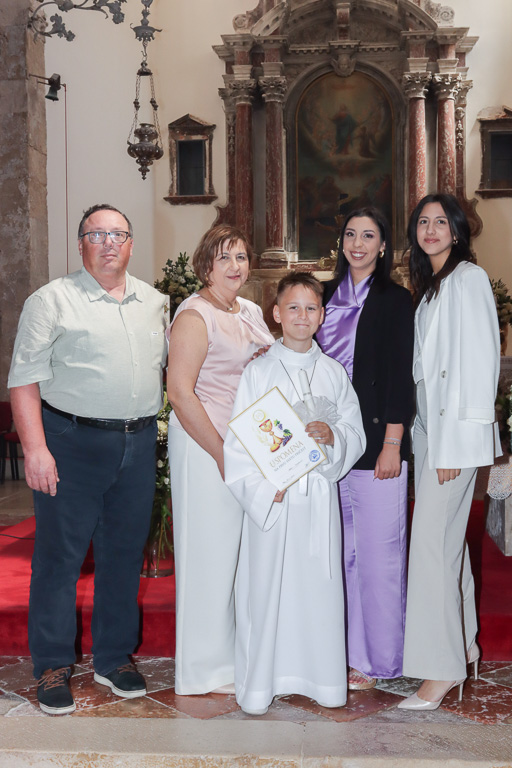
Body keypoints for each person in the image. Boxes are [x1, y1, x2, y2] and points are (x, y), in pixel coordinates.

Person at [8, 204, 168, 715]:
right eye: (96, 235)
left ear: (131, 243)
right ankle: (53, 664)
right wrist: (36, 449)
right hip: (71, 443)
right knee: (60, 559)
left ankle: (113, 658)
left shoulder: (154, 302)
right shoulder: (50, 300)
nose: (108, 243)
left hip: (137, 444)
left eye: (117, 234)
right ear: (80, 244)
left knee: (123, 556)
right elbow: (24, 380)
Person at [224, 273, 366, 715]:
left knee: (318, 592)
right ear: (277, 314)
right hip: (276, 502)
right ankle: (260, 685)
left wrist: (334, 437)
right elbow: (238, 444)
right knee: (267, 590)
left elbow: (355, 432)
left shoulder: (333, 373)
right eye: (293, 308)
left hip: (318, 500)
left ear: (321, 316)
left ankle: (323, 681)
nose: (302, 316)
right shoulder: (259, 371)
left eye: (310, 308)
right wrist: (265, 490)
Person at [398, 193, 500, 710]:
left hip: (451, 439)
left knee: (431, 548)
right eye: (424, 222)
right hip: (428, 433)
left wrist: (453, 446)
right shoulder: (433, 287)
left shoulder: (468, 279)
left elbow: (481, 363)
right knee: (446, 547)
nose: (431, 229)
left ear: (457, 231)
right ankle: (462, 645)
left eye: (441, 222)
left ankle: (440, 671)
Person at [166, 224, 274, 696]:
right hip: (204, 445)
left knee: (238, 557)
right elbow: (179, 393)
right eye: (224, 257)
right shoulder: (195, 315)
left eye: (242, 257)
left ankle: (234, 659)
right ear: (205, 264)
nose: (235, 266)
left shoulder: (249, 310)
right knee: (207, 557)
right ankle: (202, 671)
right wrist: (220, 453)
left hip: (245, 446)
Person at [316, 207, 414, 690]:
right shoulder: (322, 297)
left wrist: (393, 443)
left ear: (383, 245)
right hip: (327, 448)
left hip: (378, 444)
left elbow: (400, 376)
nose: (357, 243)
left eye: (368, 235)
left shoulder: (396, 300)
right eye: (351, 234)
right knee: (337, 557)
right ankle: (341, 654)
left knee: (380, 559)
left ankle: (379, 660)